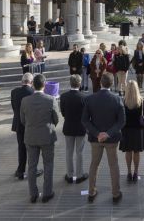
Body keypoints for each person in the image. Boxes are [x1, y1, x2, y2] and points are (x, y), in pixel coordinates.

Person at [81, 72, 126, 204]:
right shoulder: (117, 99)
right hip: (111, 139)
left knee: (94, 164)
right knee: (113, 165)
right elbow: (122, 121)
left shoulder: (90, 99)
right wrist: (108, 133)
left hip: (96, 140)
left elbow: (85, 120)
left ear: (100, 83)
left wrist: (97, 133)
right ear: (112, 84)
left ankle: (91, 192)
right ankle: (116, 194)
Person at [20, 74, 60, 203]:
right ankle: (47, 193)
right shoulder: (50, 99)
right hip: (47, 137)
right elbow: (56, 118)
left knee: (31, 166)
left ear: (32, 84)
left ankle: (33, 194)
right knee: (48, 164)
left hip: (30, 137)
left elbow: (22, 120)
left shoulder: (25, 100)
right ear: (45, 85)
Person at [59, 75, 88, 184]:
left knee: (69, 151)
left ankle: (69, 175)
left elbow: (63, 112)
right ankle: (80, 175)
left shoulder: (64, 96)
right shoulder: (84, 97)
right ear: (80, 84)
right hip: (80, 128)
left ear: (70, 83)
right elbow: (86, 114)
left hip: (68, 127)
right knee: (79, 152)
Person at [120, 80, 144, 183]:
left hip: (126, 131)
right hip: (138, 131)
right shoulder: (142, 101)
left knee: (128, 152)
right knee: (136, 152)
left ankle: (128, 172)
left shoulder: (123, 101)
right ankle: (136, 173)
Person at [11, 72, 34, 180]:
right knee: (32, 148)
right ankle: (32, 170)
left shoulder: (14, 92)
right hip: (30, 124)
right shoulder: (33, 93)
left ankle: (20, 171)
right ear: (31, 82)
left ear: (22, 81)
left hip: (19, 124)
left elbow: (14, 108)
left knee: (21, 147)